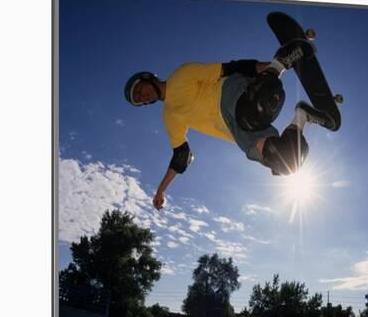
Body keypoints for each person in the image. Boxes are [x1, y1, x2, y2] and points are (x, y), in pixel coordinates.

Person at [124, 39, 335, 210]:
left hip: (229, 93)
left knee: (254, 111)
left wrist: (272, 68)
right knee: (286, 161)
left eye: (139, 90)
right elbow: (181, 155)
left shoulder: (182, 75)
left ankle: (281, 61)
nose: (142, 96)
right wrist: (161, 190)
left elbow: (231, 67)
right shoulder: (170, 116)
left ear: (147, 78)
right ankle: (303, 116)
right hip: (237, 131)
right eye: (139, 99)